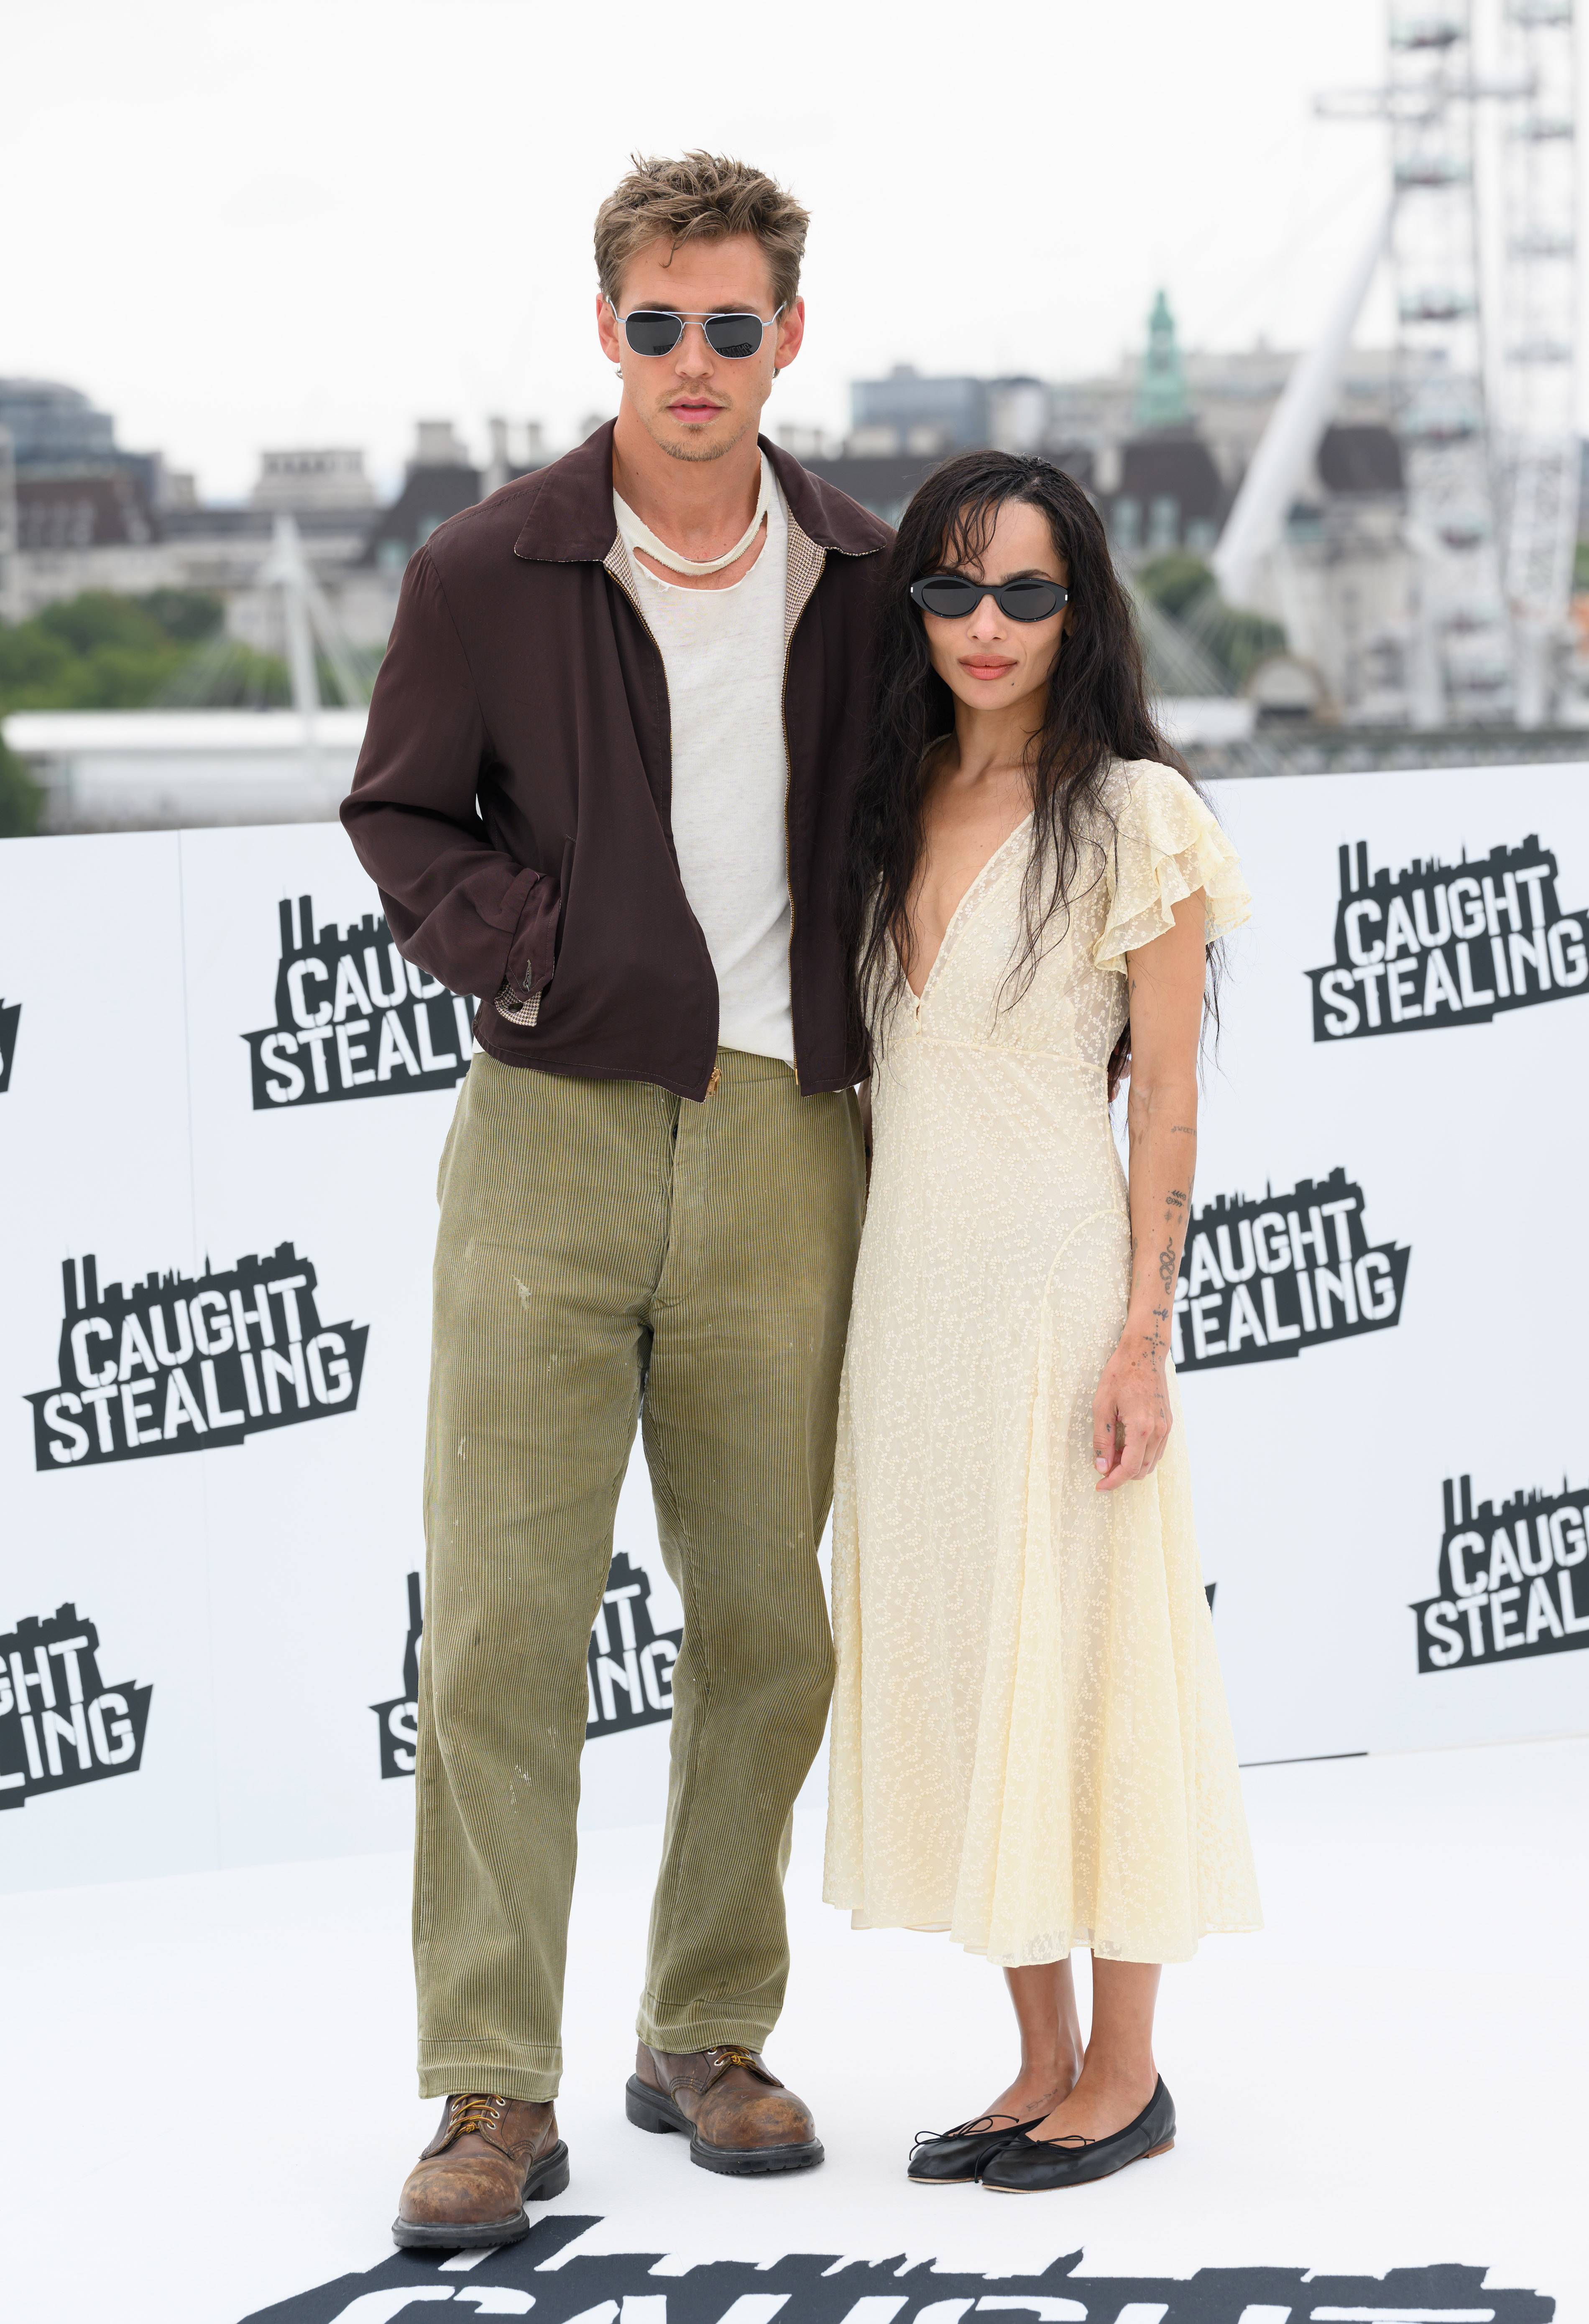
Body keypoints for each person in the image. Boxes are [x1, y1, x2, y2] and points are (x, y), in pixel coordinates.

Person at [341, 152, 889, 2247]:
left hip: (785, 1142)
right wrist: (538, 958)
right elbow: (400, 810)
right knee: (500, 1620)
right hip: (549, 1138)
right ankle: (490, 2079)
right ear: (605, 330)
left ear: (784, 336)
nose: (691, 362)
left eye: (729, 326)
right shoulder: (487, 566)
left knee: (763, 1619)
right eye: (655, 325)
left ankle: (705, 2029)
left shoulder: (864, 573)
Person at [825, 449, 1262, 2193]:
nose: (985, 624)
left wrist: (1143, 1334)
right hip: (909, 1307)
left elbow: (1167, 1102)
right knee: (965, 1660)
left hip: (1061, 1292)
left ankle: (1129, 2073)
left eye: (1024, 590)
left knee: (1093, 1665)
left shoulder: (1137, 811)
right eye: (950, 587)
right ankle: (1036, 2058)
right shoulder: (879, 798)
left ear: (1079, 610)